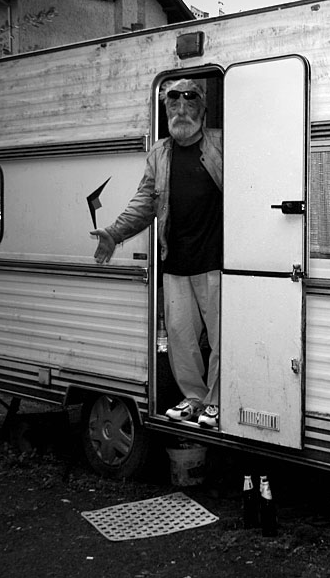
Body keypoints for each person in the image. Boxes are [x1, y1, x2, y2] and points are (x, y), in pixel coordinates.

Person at [91, 78, 223, 429]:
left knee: (222, 336)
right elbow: (144, 201)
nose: (181, 111)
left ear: (203, 109)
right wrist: (114, 232)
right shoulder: (160, 153)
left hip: (215, 262)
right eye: (173, 104)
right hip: (176, 263)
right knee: (180, 338)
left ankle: (217, 400)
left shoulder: (221, 144)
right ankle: (194, 397)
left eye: (189, 102)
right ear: (166, 112)